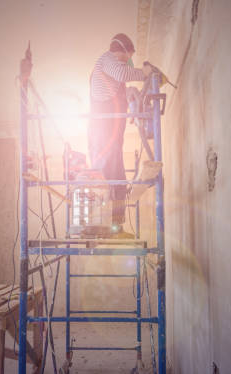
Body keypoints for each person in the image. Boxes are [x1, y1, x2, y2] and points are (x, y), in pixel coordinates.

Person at [88, 33, 152, 238]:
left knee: (118, 180)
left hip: (111, 137)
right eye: (127, 57)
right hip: (102, 134)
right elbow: (122, 74)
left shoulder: (112, 76)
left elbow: (118, 88)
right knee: (105, 179)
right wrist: (144, 73)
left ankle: (116, 227)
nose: (127, 62)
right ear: (122, 50)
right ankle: (100, 226)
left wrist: (131, 92)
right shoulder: (107, 59)